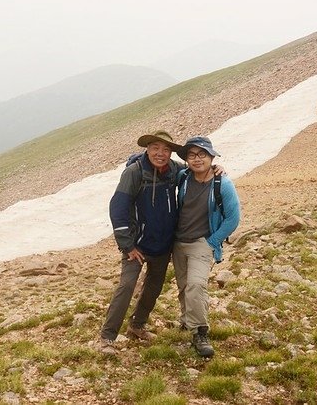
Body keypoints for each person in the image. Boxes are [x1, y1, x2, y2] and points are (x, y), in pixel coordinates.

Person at [97, 130, 185, 355]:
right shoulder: (134, 173)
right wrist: (127, 245)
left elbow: (194, 172)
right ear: (147, 149)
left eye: (166, 149)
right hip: (137, 245)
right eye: (155, 148)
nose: (160, 153)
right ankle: (107, 337)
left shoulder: (174, 170)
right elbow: (118, 209)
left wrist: (215, 169)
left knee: (153, 288)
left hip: (163, 244)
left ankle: (137, 326)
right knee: (126, 286)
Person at [173, 136, 241, 357]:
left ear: (212, 157)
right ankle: (186, 320)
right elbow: (160, 166)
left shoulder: (223, 183)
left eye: (202, 154)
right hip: (178, 241)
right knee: (184, 286)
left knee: (195, 285)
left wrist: (212, 242)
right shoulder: (183, 177)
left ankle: (200, 332)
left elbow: (233, 218)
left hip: (202, 243)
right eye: (192, 155)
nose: (197, 159)